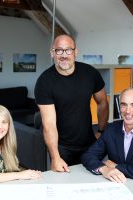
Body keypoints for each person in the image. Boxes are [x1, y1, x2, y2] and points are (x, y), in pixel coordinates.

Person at [34, 34, 109, 172]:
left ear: (75, 52)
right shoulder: (44, 82)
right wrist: (55, 157)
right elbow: (49, 124)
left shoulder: (90, 73)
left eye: (68, 50)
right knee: (64, 186)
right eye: (59, 50)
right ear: (52, 53)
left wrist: (101, 130)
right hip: (62, 147)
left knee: (91, 182)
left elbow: (103, 102)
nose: (64, 55)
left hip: (89, 143)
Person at [81, 88, 133, 183]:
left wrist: (116, 167)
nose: (128, 111)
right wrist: (104, 169)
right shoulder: (111, 129)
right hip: (118, 186)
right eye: (124, 105)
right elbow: (88, 156)